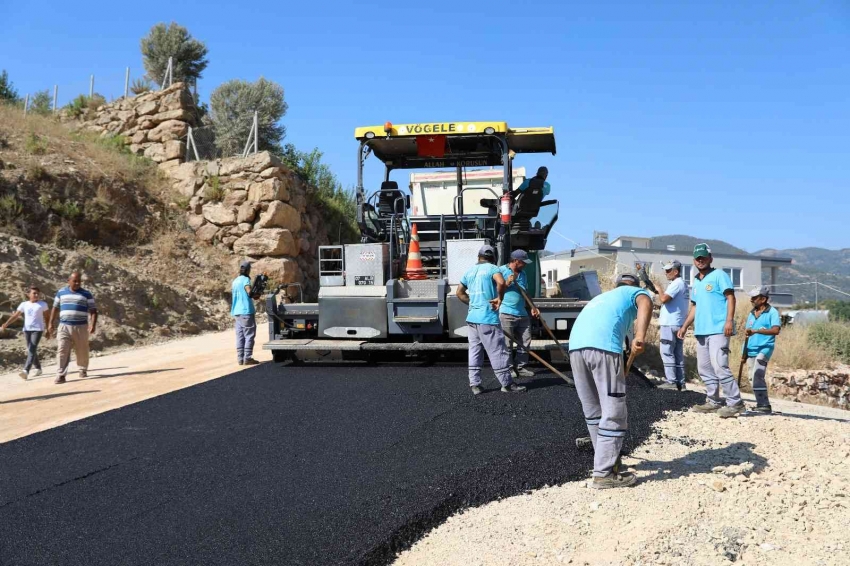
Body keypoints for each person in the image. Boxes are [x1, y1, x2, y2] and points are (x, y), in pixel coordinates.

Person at [568, 273, 652, 489]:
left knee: (594, 411)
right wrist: (640, 336)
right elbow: (646, 301)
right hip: (603, 348)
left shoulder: (603, 299)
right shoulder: (633, 293)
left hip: (576, 349)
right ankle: (605, 473)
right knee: (614, 412)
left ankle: (606, 462)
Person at [678, 244, 744, 418]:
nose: (701, 261)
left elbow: (731, 297)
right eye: (697, 258)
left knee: (720, 365)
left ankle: (735, 403)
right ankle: (713, 401)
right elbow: (694, 306)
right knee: (704, 368)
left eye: (704, 257)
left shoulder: (719, 275)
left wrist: (729, 320)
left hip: (718, 328)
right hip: (701, 330)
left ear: (710, 258)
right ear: (694, 260)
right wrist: (685, 326)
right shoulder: (697, 281)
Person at [457, 245, 526, 395]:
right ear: (494, 257)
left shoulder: (470, 271)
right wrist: (499, 298)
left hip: (472, 318)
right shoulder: (493, 269)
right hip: (487, 317)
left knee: (475, 350)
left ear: (479, 257)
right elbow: (501, 282)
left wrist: (474, 303)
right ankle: (507, 384)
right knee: (498, 350)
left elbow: (459, 293)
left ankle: (475, 384)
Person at [48, 272, 97, 384]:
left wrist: (92, 325)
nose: (77, 283)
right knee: (62, 350)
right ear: (68, 280)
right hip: (64, 326)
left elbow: (93, 311)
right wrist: (50, 323)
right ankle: (61, 375)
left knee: (82, 350)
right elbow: (55, 308)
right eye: (74, 281)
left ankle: (82, 369)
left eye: (79, 281)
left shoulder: (86, 294)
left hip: (81, 326)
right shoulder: (61, 292)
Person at [499, 249, 540, 379]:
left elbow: (526, 292)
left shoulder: (523, 274)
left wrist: (533, 307)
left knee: (526, 341)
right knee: (507, 343)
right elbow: (495, 290)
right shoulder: (501, 271)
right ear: (516, 261)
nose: (525, 265)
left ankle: (521, 367)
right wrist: (506, 283)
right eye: (523, 262)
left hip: (522, 312)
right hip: (506, 312)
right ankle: (509, 368)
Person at [743, 286, 781, 414]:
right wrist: (744, 353)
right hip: (750, 349)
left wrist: (757, 331)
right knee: (752, 378)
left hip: (765, 348)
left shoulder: (772, 312)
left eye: (754, 298)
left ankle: (764, 405)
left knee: (758, 373)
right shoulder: (751, 313)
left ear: (763, 299)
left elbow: (776, 330)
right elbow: (747, 334)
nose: (751, 300)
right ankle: (760, 404)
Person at [1, 286, 49, 380]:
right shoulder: (24, 304)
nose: (36, 295)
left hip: (37, 329)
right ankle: (38, 368)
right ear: (28, 295)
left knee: (31, 349)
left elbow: (47, 317)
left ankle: (26, 370)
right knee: (31, 349)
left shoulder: (42, 304)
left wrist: (48, 328)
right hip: (27, 330)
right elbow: (15, 316)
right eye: (34, 293)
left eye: (37, 293)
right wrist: (6, 324)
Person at [657, 260, 689, 391]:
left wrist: (659, 289)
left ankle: (671, 382)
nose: (666, 273)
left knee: (667, 352)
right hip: (678, 323)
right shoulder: (683, 284)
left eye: (669, 270)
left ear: (676, 271)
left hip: (669, 323)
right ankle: (680, 382)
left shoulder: (676, 284)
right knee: (677, 353)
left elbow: (664, 299)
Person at [232, 260, 259, 366]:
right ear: (248, 270)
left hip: (236, 312)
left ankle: (240, 358)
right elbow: (249, 291)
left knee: (240, 335)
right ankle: (247, 358)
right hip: (246, 311)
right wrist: (255, 294)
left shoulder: (235, 281)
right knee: (249, 335)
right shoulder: (246, 280)